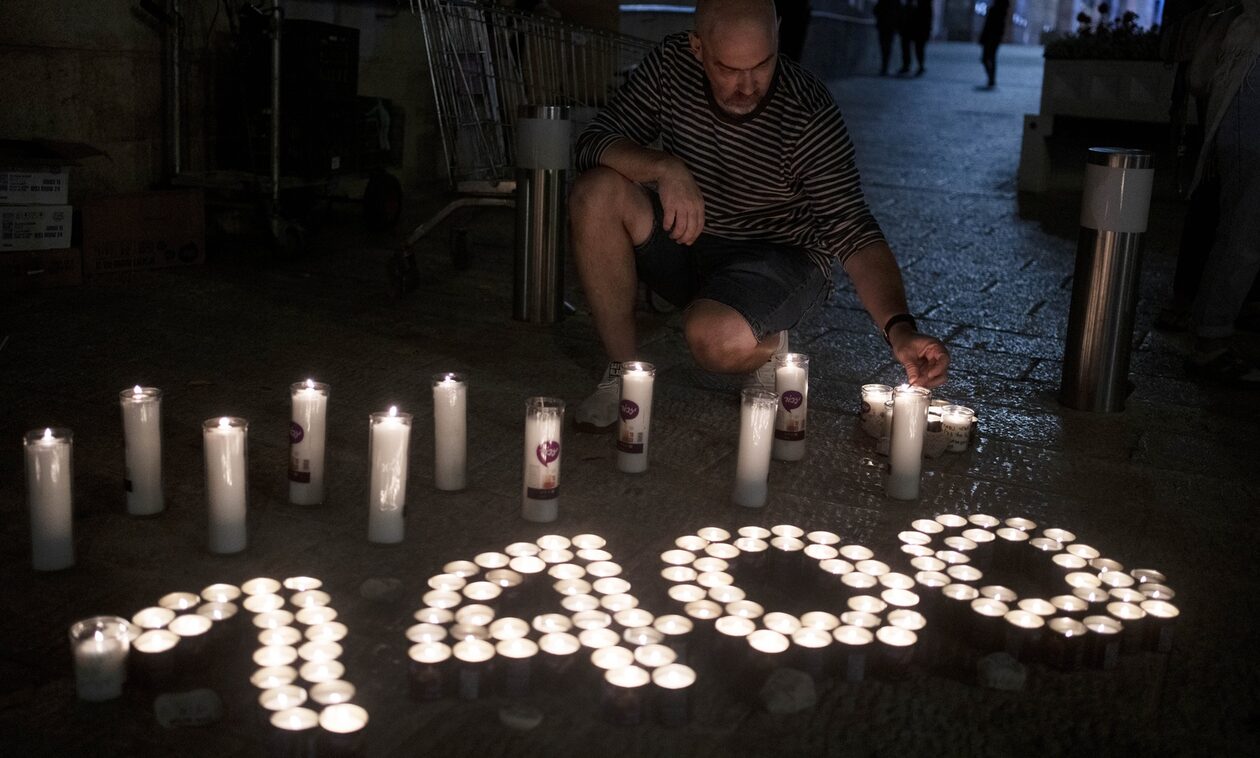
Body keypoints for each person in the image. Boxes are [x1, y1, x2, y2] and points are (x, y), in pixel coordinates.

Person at [568, 0, 950, 430]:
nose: (748, 86)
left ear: (777, 37)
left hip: (778, 258)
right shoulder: (670, 66)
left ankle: (765, 339)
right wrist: (663, 166)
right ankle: (624, 375)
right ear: (697, 47)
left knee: (711, 339)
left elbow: (853, 230)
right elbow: (592, 142)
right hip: (691, 236)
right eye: (729, 69)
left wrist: (899, 328)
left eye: (762, 65)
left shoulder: (807, 110)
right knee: (596, 191)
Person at [1182, 0, 1260, 384]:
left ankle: (1209, 330)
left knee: (1239, 226)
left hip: (1244, 79)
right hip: (1250, 80)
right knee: (1245, 228)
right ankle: (1211, 339)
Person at [979, 0, 1009, 88]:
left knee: (986, 58)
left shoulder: (995, 10)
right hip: (995, 39)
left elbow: (987, 25)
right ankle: (991, 78)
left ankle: (991, 78)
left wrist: (983, 37)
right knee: (992, 58)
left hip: (990, 38)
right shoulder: (1003, 12)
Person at [899, 0, 932, 76]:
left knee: (918, 48)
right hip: (909, 28)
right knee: (908, 47)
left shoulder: (924, 4)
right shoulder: (910, 3)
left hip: (919, 29)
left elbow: (927, 17)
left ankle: (918, 65)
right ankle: (907, 65)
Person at [874, 0, 901, 75]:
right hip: (890, 26)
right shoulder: (895, 2)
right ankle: (885, 66)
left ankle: (884, 66)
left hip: (883, 26)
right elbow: (899, 13)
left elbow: (876, 10)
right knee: (887, 46)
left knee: (884, 46)